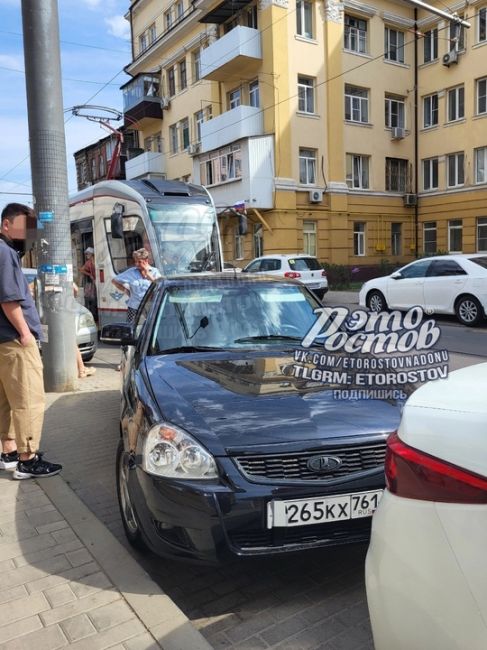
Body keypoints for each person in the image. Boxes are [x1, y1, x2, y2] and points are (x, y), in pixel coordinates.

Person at [0, 203, 62, 479]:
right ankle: (27, 459)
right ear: (6, 224)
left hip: (3, 340)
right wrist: (25, 333)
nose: (28, 234)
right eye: (25, 227)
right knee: (28, 399)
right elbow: (9, 299)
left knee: (5, 400)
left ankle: (9, 452)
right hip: (14, 340)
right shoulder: (4, 252)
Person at [112, 248, 161, 323]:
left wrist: (149, 275)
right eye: (135, 262)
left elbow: (160, 285)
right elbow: (115, 280)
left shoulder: (155, 271)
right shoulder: (131, 272)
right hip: (134, 307)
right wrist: (126, 290)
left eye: (139, 262)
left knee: (150, 328)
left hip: (150, 307)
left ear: (146, 260)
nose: (137, 264)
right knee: (131, 328)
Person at [73, 282, 95, 378]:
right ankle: (81, 370)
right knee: (72, 342)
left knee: (71, 343)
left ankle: (81, 369)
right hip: (65, 311)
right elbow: (75, 288)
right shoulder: (62, 274)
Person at [79, 246, 97, 322]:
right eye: (86, 254)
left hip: (97, 281)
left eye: (88, 254)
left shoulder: (94, 261)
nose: (86, 256)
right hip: (94, 282)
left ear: (92, 254)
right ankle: (93, 316)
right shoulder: (89, 262)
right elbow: (81, 270)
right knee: (93, 299)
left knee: (94, 299)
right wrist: (90, 274)